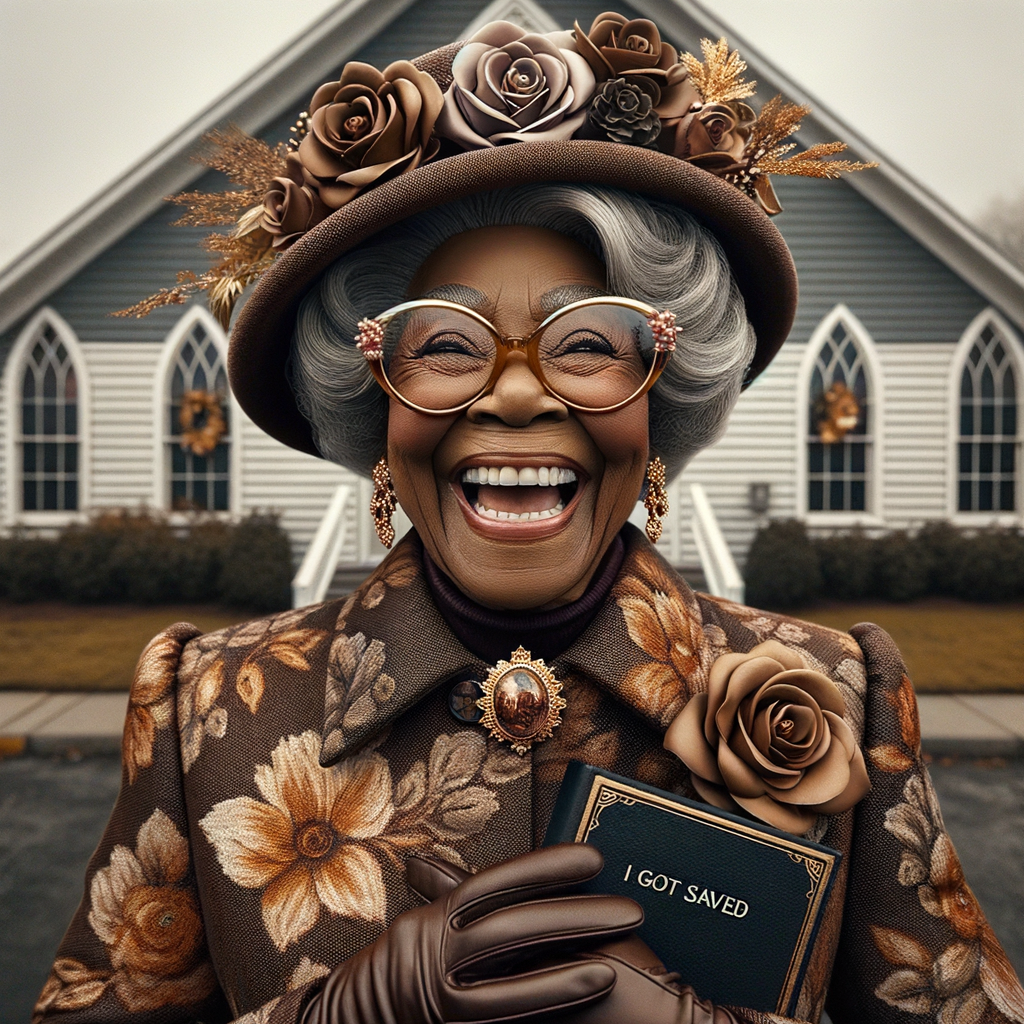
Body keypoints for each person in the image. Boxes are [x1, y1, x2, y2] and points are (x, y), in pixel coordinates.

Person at [34, 16, 1024, 1024]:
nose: (513, 395)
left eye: (588, 340)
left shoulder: (838, 694)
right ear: (374, 403)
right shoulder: (206, 709)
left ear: (659, 398)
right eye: (445, 344)